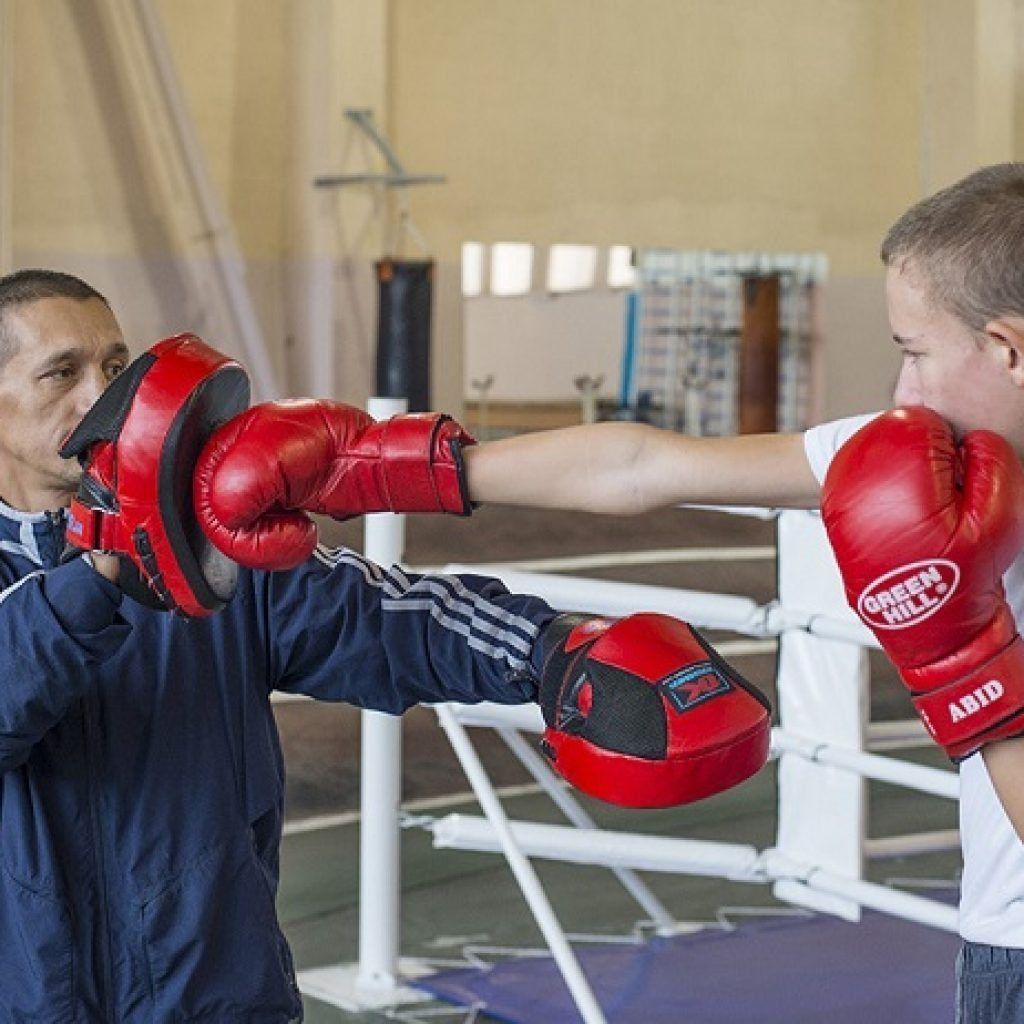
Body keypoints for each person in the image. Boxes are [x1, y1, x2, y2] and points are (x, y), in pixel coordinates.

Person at [0, 268, 770, 1022]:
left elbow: (377, 613)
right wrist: (105, 560)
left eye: (115, 367)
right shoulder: (120, 555)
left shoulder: (203, 549)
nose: (102, 397)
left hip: (217, 996)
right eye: (62, 373)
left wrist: (550, 652)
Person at [461, 161, 1024, 1023]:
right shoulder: (930, 456)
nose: (902, 390)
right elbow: (643, 465)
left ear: (1008, 349)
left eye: (915, 352)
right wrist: (405, 468)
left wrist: (964, 660)